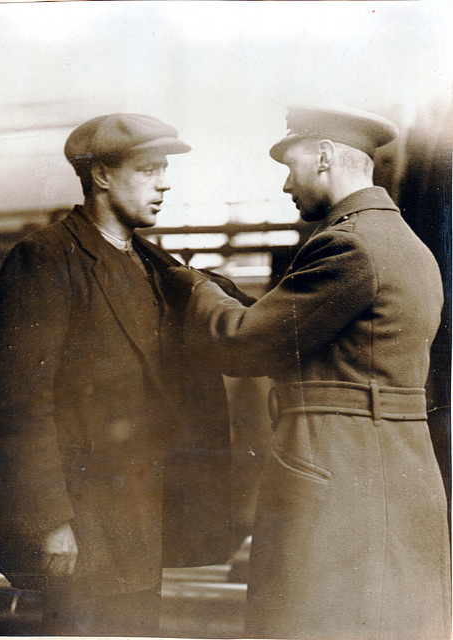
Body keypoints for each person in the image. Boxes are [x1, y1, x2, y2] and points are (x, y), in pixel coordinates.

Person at [166, 104, 451, 639]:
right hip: (392, 463)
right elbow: (322, 336)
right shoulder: (407, 245)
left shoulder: (347, 244)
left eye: (289, 165)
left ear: (323, 156)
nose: (284, 185)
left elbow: (245, 346)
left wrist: (194, 286)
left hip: (337, 465)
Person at [0, 113, 246, 636]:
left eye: (165, 170)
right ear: (101, 175)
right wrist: (51, 520)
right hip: (81, 521)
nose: (165, 182)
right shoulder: (46, 259)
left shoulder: (153, 265)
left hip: (141, 515)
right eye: (149, 169)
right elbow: (19, 403)